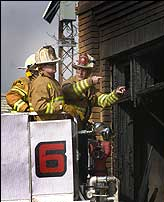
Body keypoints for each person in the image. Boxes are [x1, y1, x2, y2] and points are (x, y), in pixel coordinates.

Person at [62, 53, 126, 184]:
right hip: (68, 131)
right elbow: (71, 92)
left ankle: (82, 184)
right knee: (73, 160)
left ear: (89, 71)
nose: (80, 71)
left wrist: (115, 94)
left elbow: (102, 100)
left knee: (82, 161)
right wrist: (90, 81)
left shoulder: (89, 89)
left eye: (84, 69)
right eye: (78, 68)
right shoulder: (68, 84)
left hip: (81, 131)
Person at [28, 45, 65, 121]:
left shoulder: (53, 82)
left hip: (54, 124)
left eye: (54, 63)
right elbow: (40, 107)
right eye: (50, 64)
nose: (54, 65)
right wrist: (60, 107)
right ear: (41, 66)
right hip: (44, 126)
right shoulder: (41, 82)